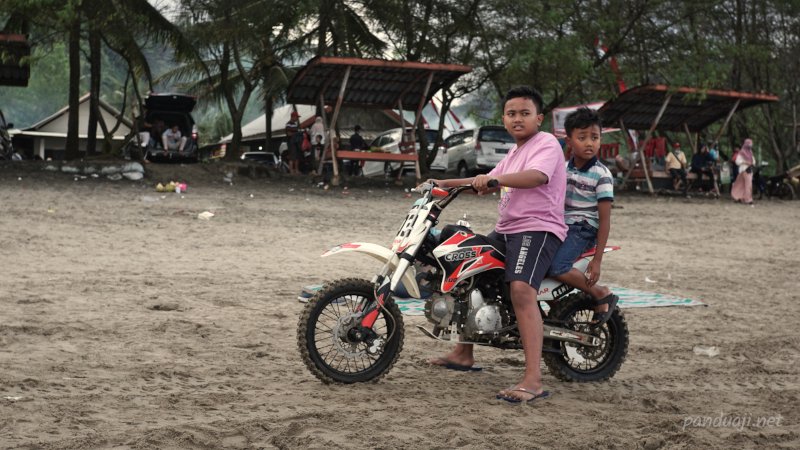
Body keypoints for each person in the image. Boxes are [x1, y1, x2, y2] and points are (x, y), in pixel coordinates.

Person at [426, 86, 566, 404]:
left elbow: (536, 177)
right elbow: (486, 179)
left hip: (538, 229)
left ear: (539, 118)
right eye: (511, 113)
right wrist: (441, 183)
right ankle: (464, 353)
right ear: (503, 118)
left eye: (524, 113)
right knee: (467, 272)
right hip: (507, 230)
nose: (517, 119)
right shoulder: (514, 153)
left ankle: (533, 380)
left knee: (520, 290)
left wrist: (495, 181)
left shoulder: (546, 144)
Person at [546, 107, 618, 326]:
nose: (589, 143)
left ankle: (600, 292)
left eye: (594, 138)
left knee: (557, 267)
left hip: (583, 229)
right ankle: (555, 305)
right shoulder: (563, 170)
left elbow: (604, 220)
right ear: (569, 141)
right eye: (582, 137)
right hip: (561, 226)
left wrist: (597, 260)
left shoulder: (602, 175)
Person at [731, 138, 755, 204]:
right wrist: (745, 162)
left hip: (749, 170)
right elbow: (737, 162)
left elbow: (754, 161)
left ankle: (742, 198)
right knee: (742, 185)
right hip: (743, 171)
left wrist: (751, 163)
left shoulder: (750, 153)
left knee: (746, 185)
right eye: (749, 144)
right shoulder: (741, 152)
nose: (750, 145)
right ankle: (747, 199)